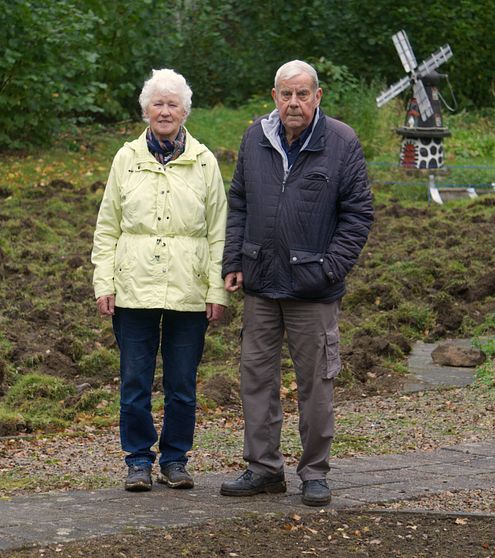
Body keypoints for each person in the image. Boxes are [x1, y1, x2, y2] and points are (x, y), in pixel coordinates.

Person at [219, 60, 374, 507]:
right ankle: (263, 469)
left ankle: (314, 473)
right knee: (256, 380)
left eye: (302, 94)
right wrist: (235, 258)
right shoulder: (255, 137)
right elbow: (241, 202)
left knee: (316, 384)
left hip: (313, 288)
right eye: (285, 94)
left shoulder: (341, 142)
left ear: (318, 96)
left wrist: (331, 268)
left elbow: (358, 215)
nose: (293, 103)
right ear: (274, 97)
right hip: (261, 283)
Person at [91, 68, 228, 492]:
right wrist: (104, 282)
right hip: (134, 287)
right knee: (135, 381)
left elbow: (219, 230)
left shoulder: (204, 162)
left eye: (173, 104)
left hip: (188, 288)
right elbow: (107, 225)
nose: (165, 111)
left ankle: (174, 460)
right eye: (158, 103)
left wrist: (216, 288)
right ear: (145, 110)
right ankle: (137, 460)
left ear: (185, 111)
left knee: (182, 383)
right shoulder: (125, 159)